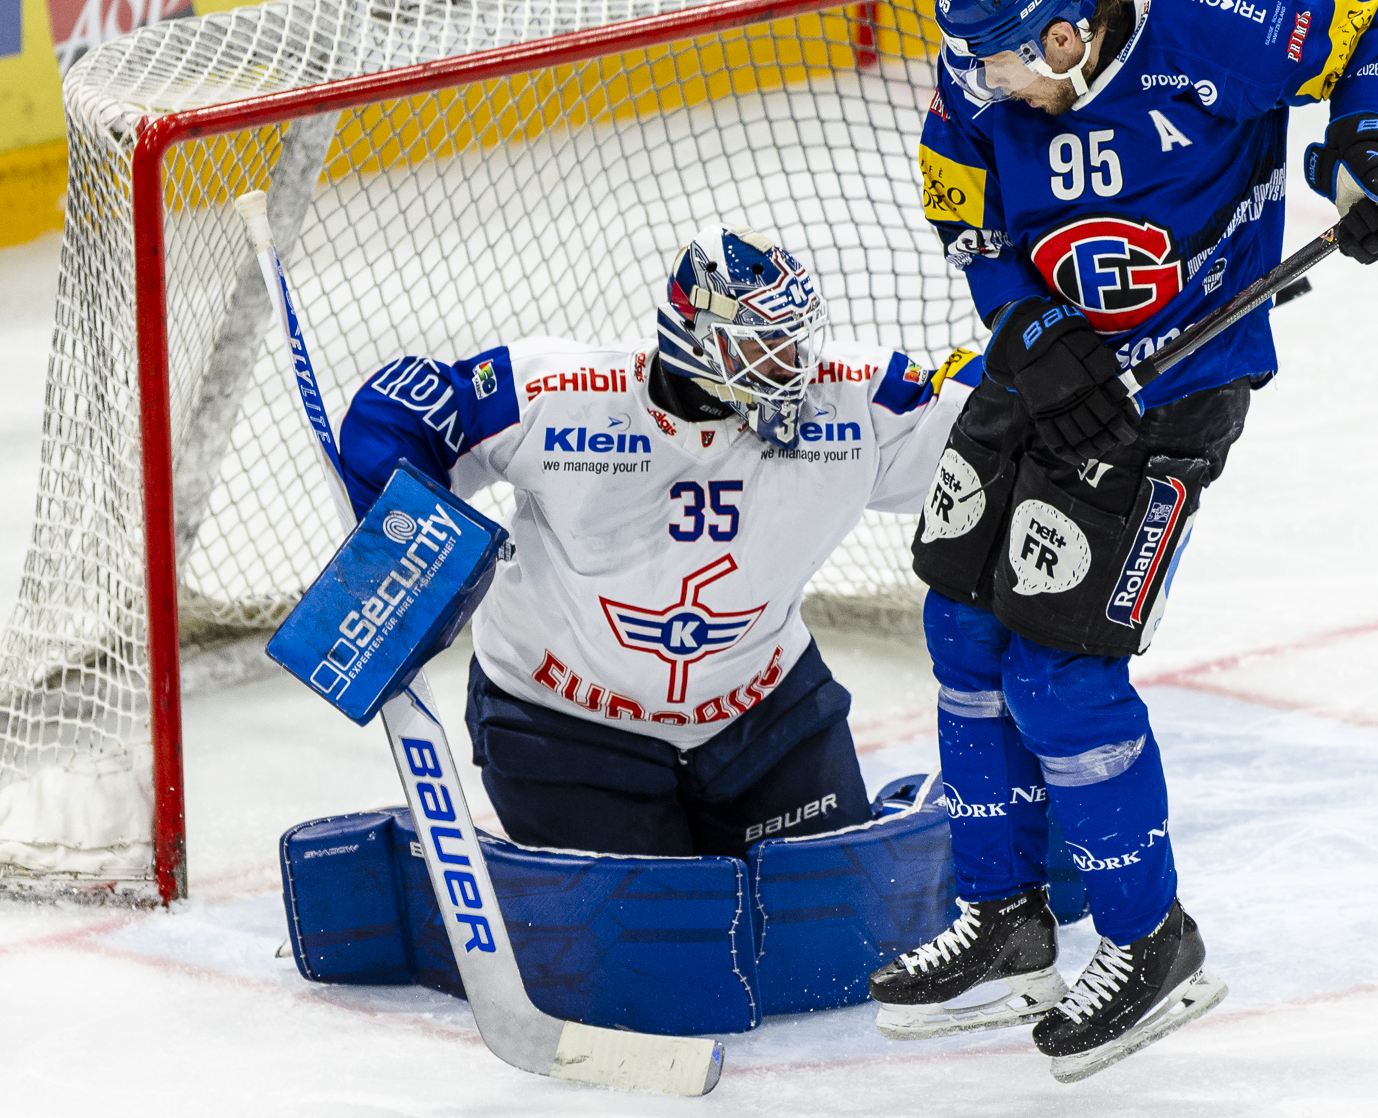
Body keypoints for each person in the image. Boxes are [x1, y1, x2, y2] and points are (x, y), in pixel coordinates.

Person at [870, 0, 1378, 1081]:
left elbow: (1374, 31)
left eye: (1010, 61)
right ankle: (1006, 918)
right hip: (1039, 365)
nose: (987, 82)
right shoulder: (982, 66)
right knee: (961, 626)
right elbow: (961, 207)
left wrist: (1366, 153)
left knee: (1059, 671)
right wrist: (1021, 325)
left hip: (1172, 393)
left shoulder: (1212, 24)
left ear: (1069, 35)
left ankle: (1150, 940)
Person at [334, 222, 973, 859]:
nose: (794, 369)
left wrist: (1018, 367)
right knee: (652, 918)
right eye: (764, 347)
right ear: (696, 338)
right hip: (564, 724)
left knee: (833, 902)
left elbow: (976, 428)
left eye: (795, 343)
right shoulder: (561, 396)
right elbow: (401, 408)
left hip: (761, 711)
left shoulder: (851, 401)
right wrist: (402, 546)